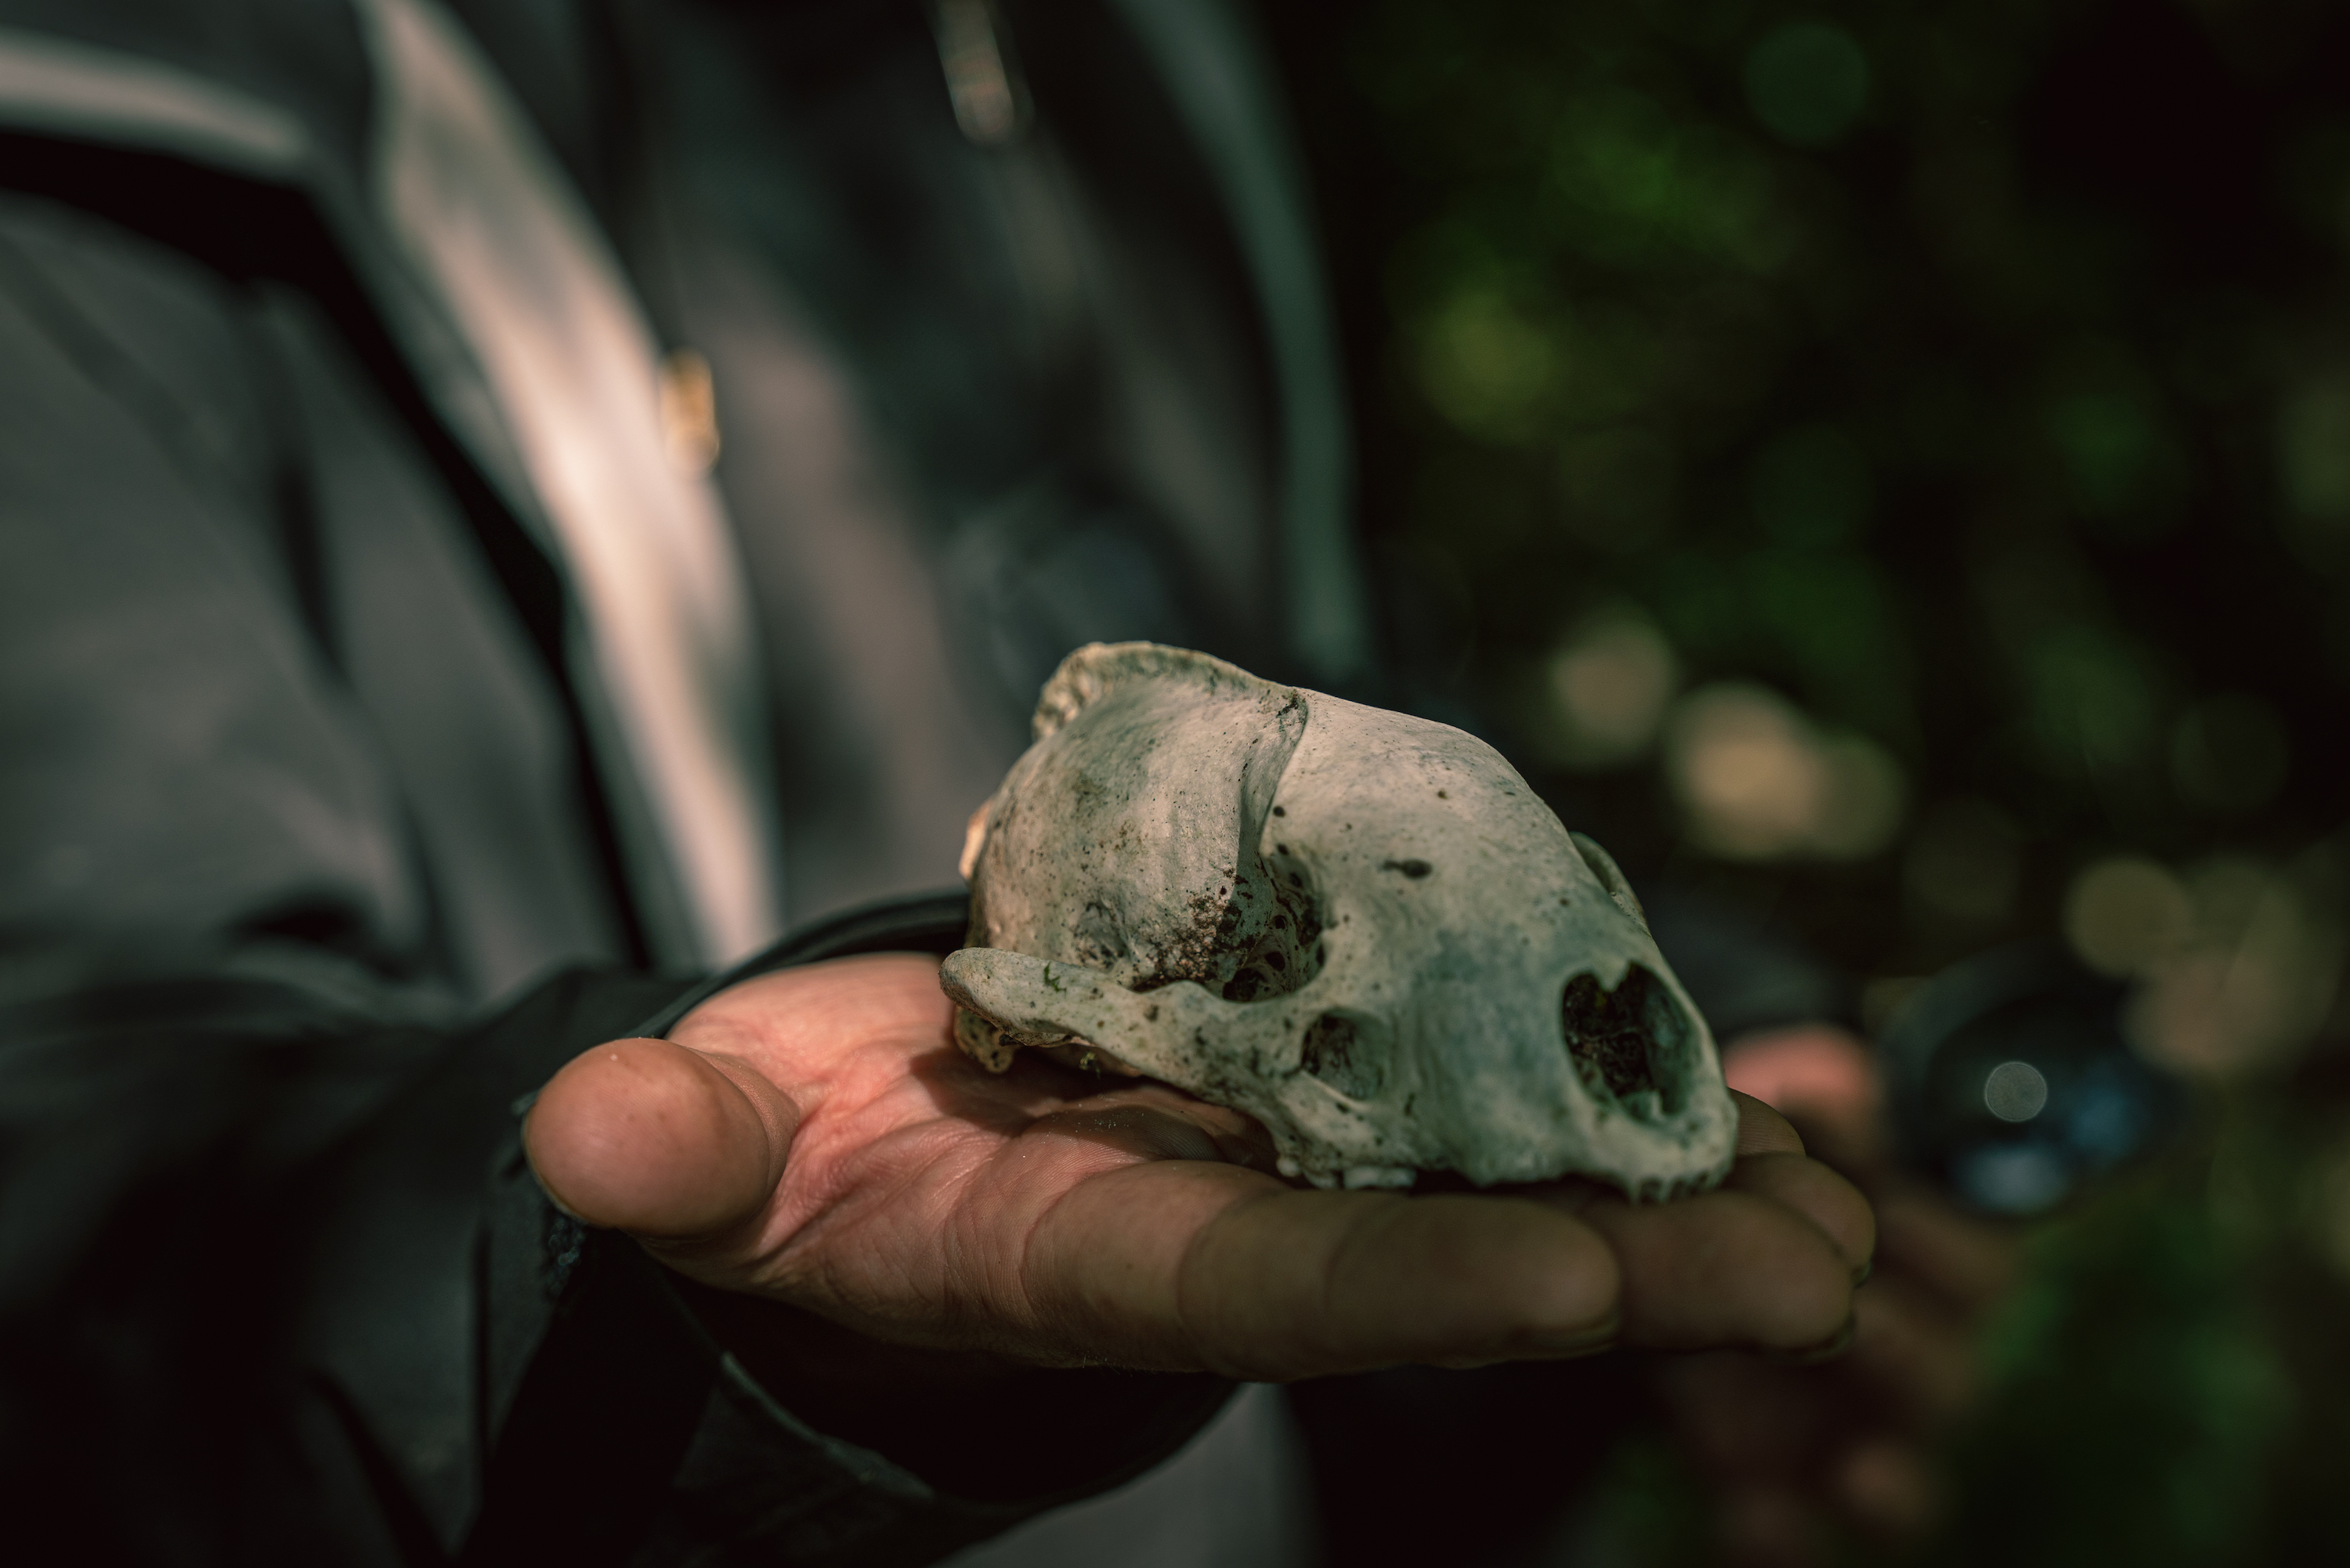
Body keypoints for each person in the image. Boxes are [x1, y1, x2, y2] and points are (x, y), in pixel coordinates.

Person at [0, 2, 1871, 1563]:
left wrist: (1684, 1024)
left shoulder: (1158, 55)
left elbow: (1300, 673)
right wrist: (659, 1317)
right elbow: (84, 1165)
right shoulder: (127, 102)